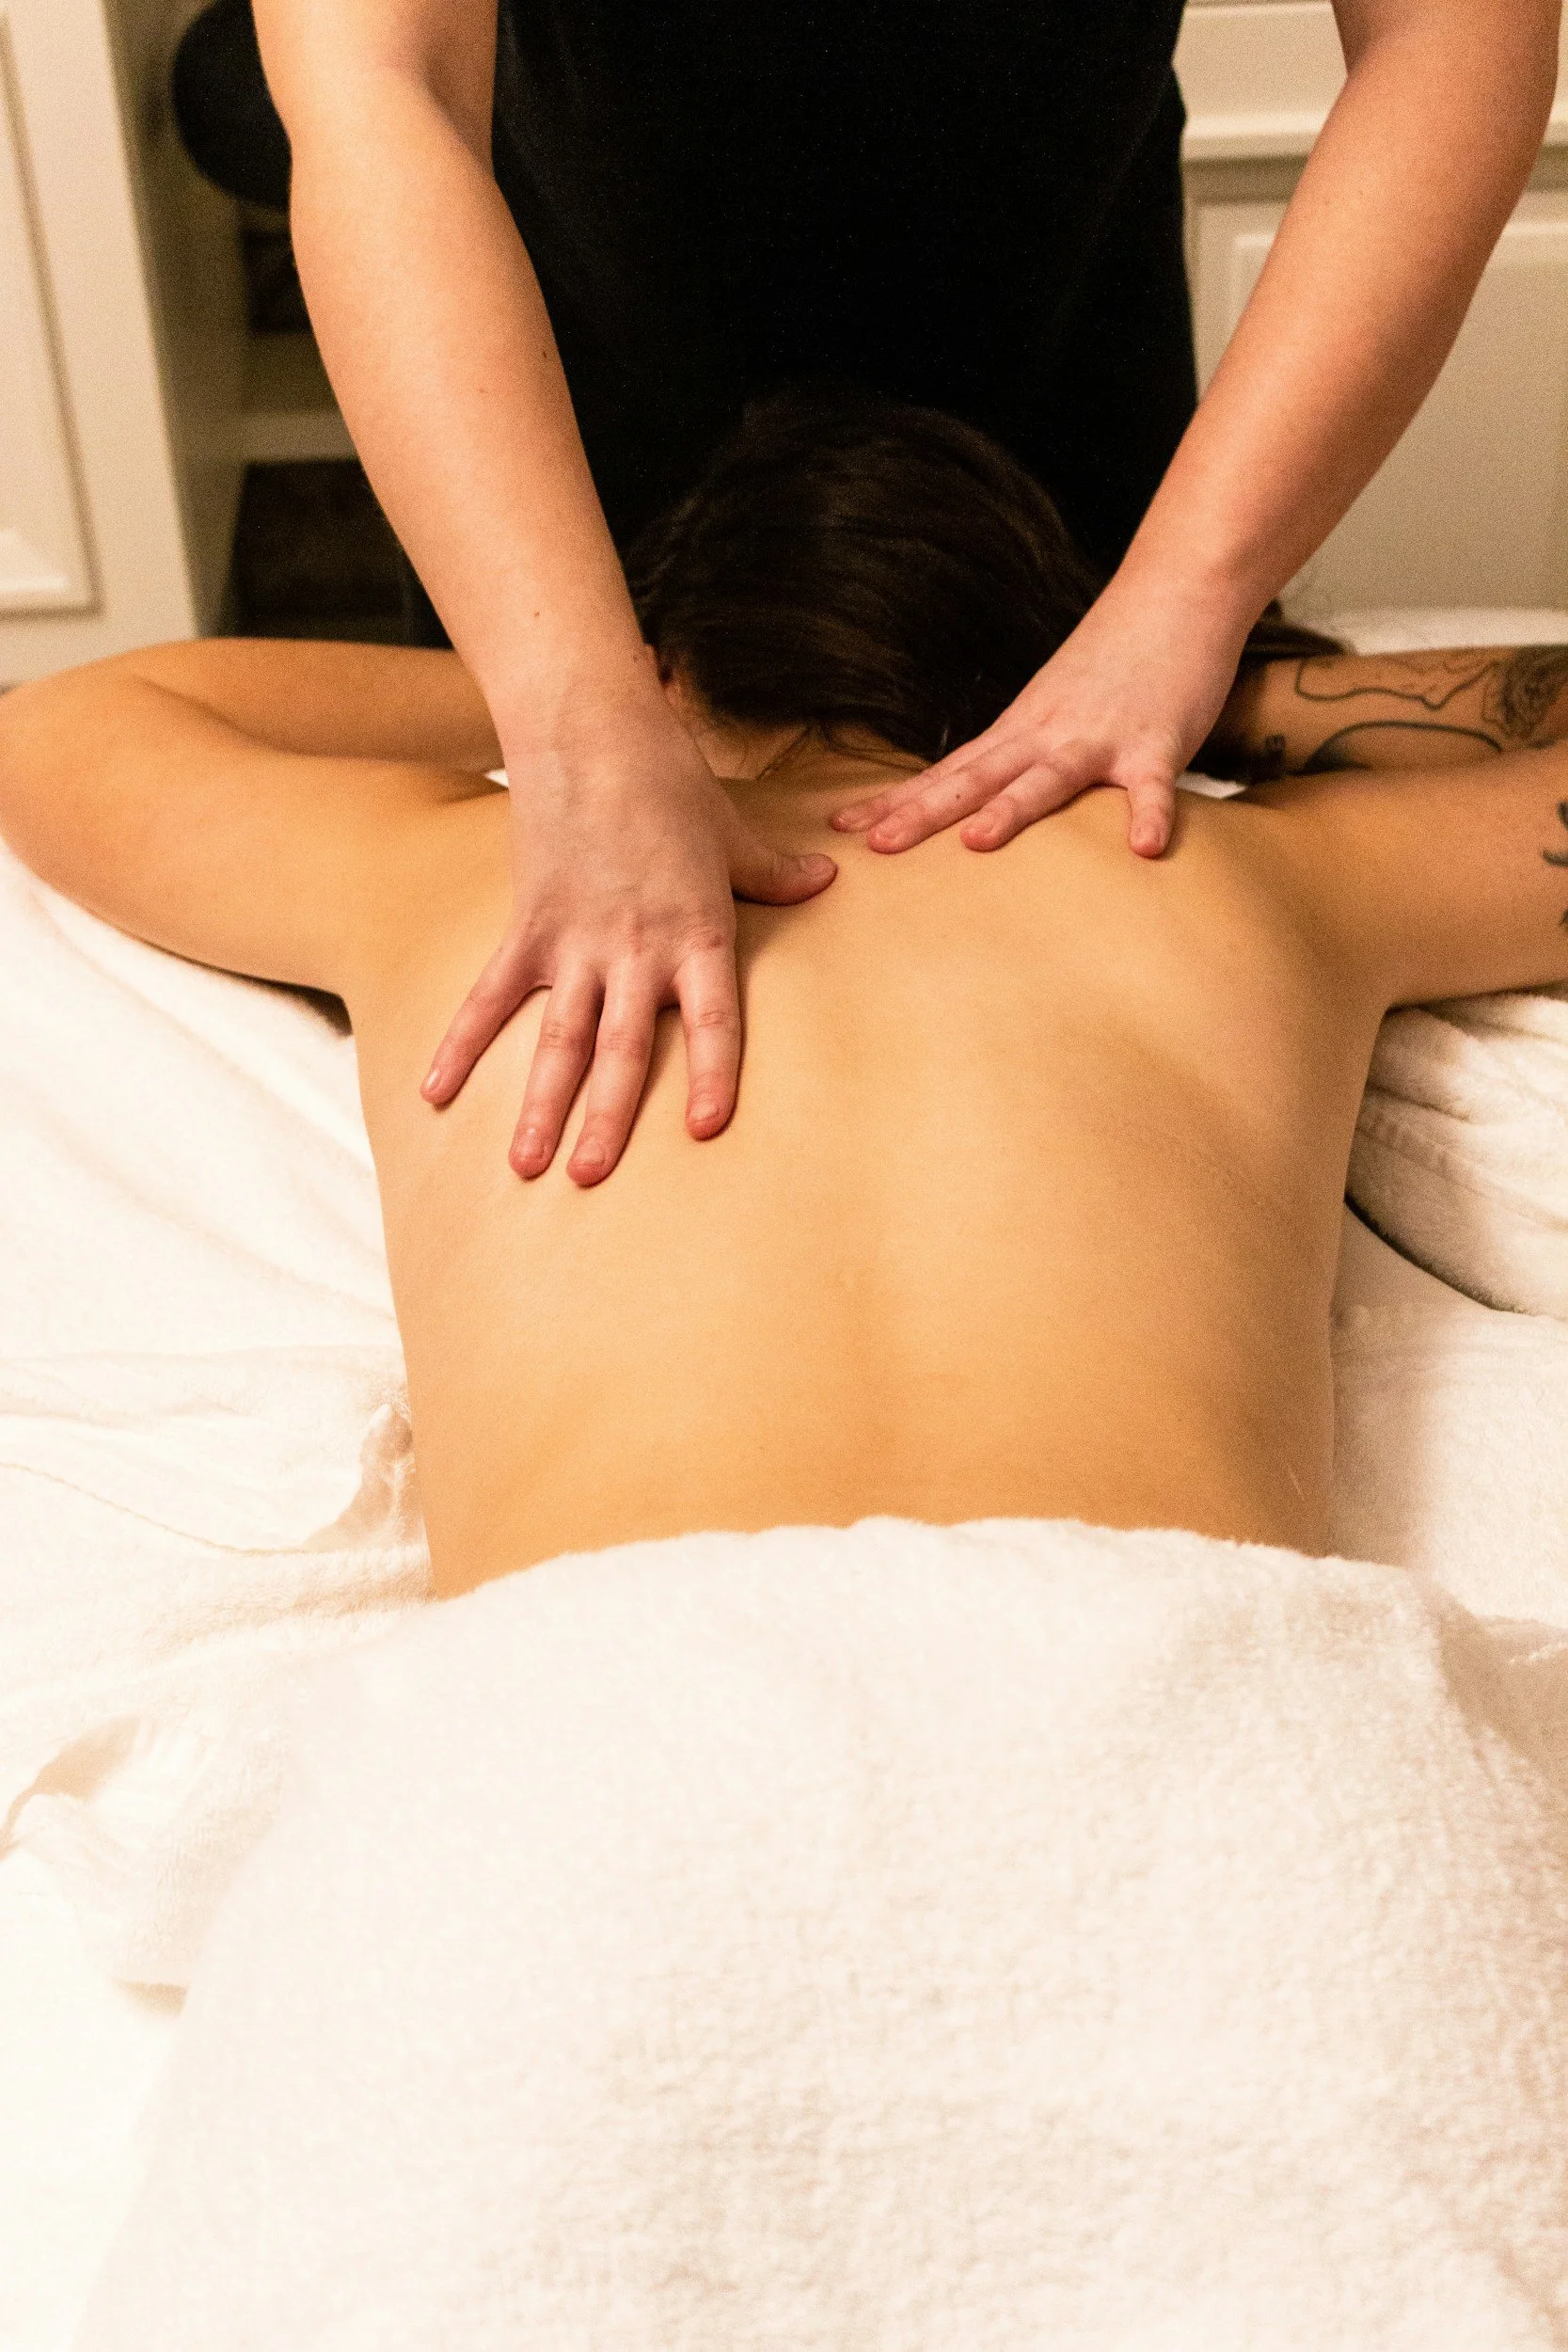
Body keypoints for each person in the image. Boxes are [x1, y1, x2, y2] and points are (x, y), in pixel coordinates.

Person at [2, 392, 1566, 1597]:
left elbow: (62, 724)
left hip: (587, 1700)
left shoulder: (459, 874)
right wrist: (1217, 683)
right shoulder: (1244, 879)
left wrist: (596, 695)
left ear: (680, 663)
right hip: (1188, 1671)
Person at [225, 0, 1559, 1184]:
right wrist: (569, 714)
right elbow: (376, 85)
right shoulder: (1260, 892)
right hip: (560, 456)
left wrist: (1186, 605)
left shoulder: (1247, 888)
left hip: (1055, 432)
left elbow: (1450, 32)